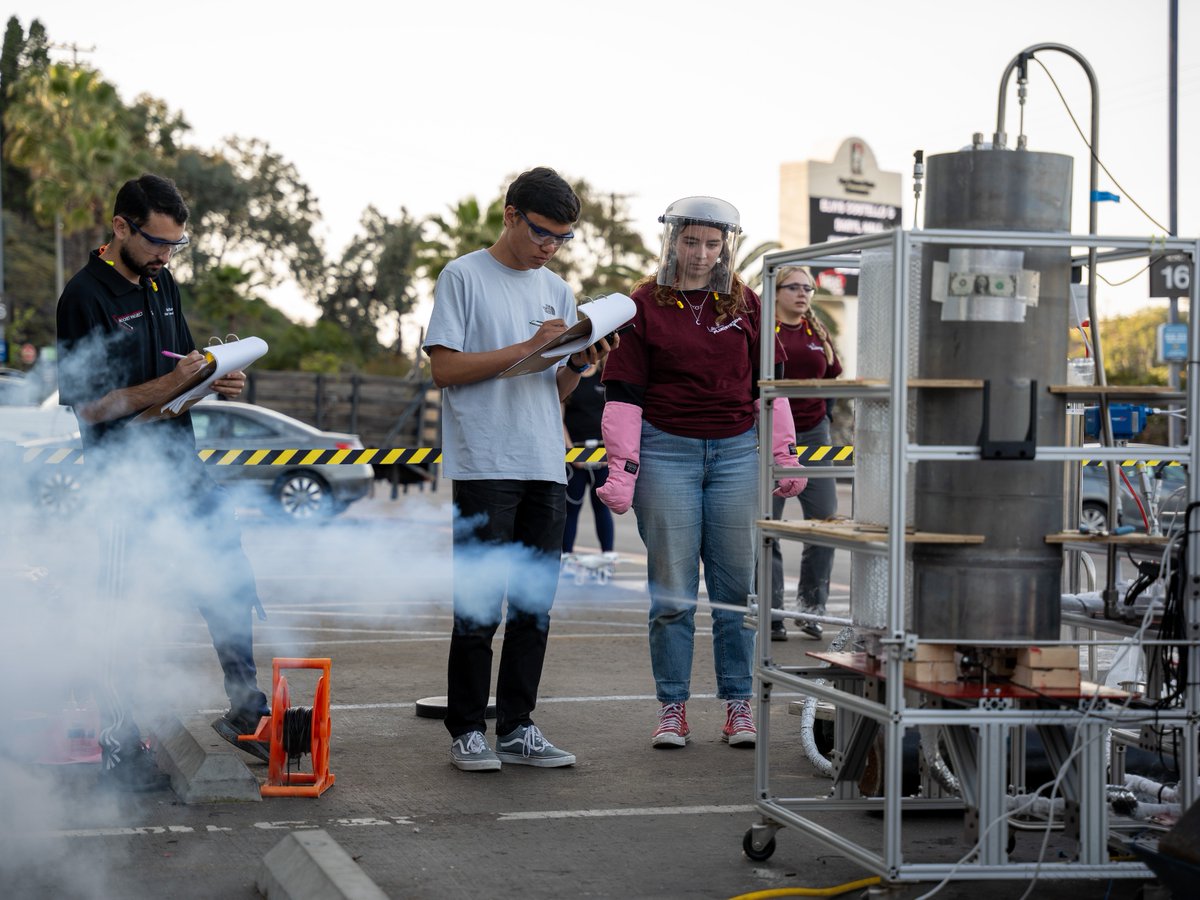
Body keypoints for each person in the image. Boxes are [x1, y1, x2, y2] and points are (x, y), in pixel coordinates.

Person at [55, 174, 270, 790]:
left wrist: (215, 379)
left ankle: (246, 710)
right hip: (123, 483)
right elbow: (90, 408)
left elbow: (179, 372)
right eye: (156, 241)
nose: (165, 255)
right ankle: (120, 747)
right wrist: (173, 386)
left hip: (181, 467)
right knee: (122, 611)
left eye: (176, 244)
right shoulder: (83, 297)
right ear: (120, 227)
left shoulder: (161, 282)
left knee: (228, 579)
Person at [596, 196, 805, 749]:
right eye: (691, 241)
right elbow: (623, 393)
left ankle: (739, 704)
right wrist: (623, 465)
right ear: (672, 241)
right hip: (667, 452)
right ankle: (673, 708)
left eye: (713, 244)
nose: (700, 253)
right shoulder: (642, 304)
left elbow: (771, 386)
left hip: (738, 453)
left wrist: (783, 451)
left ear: (726, 247)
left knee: (736, 591)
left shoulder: (747, 304)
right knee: (673, 594)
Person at [423, 167, 612, 772]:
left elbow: (551, 390)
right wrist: (529, 349)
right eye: (541, 233)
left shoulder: (556, 289)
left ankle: (518, 726)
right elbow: (444, 371)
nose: (549, 247)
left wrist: (579, 362)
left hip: (543, 462)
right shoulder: (463, 275)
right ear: (510, 215)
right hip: (484, 460)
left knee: (535, 605)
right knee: (479, 603)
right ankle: (466, 730)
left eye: (561, 238)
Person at [768, 266, 842, 641]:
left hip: (814, 436)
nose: (802, 294)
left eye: (808, 288)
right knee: (771, 528)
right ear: (776, 290)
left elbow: (831, 377)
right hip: (772, 436)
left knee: (824, 524)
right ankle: (773, 613)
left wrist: (825, 416)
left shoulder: (817, 331)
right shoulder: (765, 329)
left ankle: (811, 608)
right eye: (794, 287)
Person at [561, 362, 616, 563]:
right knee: (572, 506)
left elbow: (615, 416)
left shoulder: (604, 376)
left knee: (601, 505)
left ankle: (608, 555)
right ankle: (566, 555)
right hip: (575, 449)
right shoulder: (568, 377)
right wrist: (570, 452)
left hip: (602, 451)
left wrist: (611, 450)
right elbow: (560, 418)